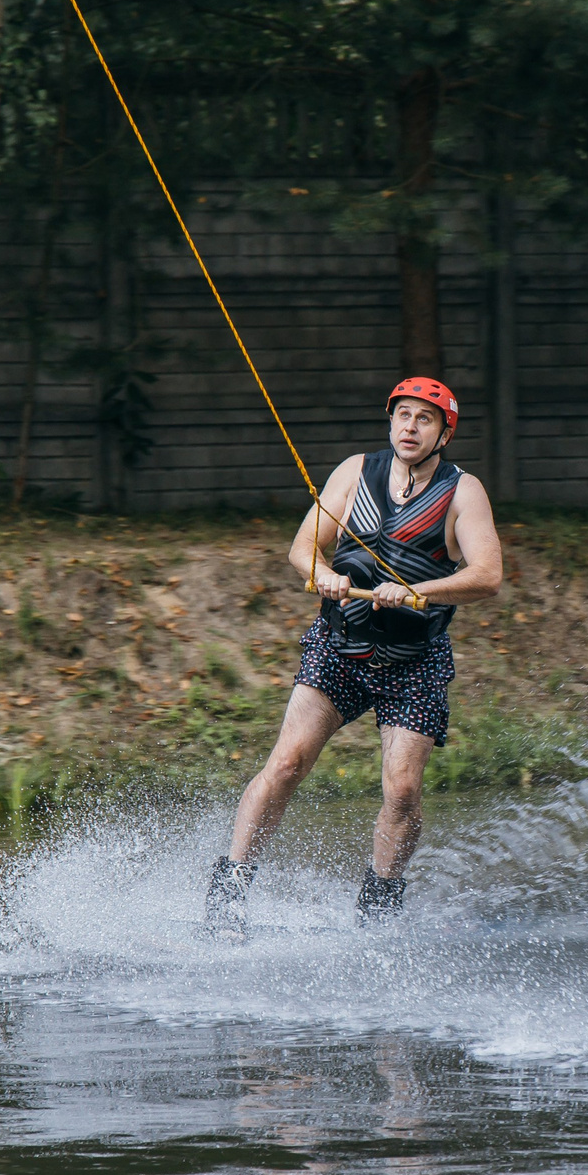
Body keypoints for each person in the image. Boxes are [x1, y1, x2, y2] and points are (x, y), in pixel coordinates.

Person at [207, 378, 504, 929]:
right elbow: (303, 548)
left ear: (444, 433)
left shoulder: (464, 492)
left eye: (424, 420)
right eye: (403, 416)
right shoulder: (353, 472)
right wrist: (326, 577)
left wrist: (418, 592)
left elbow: (487, 576)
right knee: (289, 761)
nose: (410, 428)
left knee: (403, 788)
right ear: (390, 421)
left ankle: (380, 902)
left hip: (414, 660)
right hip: (341, 644)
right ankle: (228, 888)